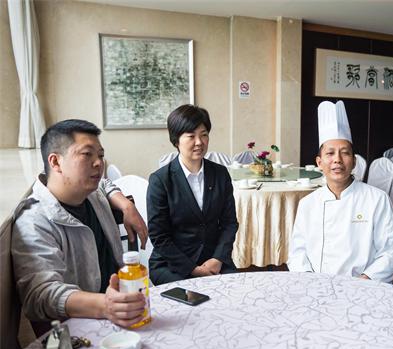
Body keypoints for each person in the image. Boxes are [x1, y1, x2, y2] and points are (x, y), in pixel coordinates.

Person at [11, 119, 148, 332]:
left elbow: (105, 184)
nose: (99, 163)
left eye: (100, 155)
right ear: (55, 162)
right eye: (87, 154)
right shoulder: (34, 220)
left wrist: (126, 205)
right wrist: (105, 305)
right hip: (80, 329)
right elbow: (40, 294)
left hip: (120, 316)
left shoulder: (91, 193)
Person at [287, 100, 393, 283]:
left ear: (354, 161)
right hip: (316, 286)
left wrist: (364, 281)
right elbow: (297, 252)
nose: (337, 160)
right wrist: (309, 281)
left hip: (364, 287)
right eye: (330, 153)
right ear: (319, 163)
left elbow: (391, 251)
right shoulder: (307, 204)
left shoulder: (377, 199)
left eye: (345, 153)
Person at [146, 104, 238, 284]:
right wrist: (193, 270)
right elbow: (159, 236)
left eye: (204, 135)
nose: (199, 142)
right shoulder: (160, 180)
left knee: (234, 293)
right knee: (190, 296)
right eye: (191, 136)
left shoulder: (220, 174)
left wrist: (218, 258)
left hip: (213, 261)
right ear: (176, 140)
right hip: (172, 264)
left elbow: (229, 223)